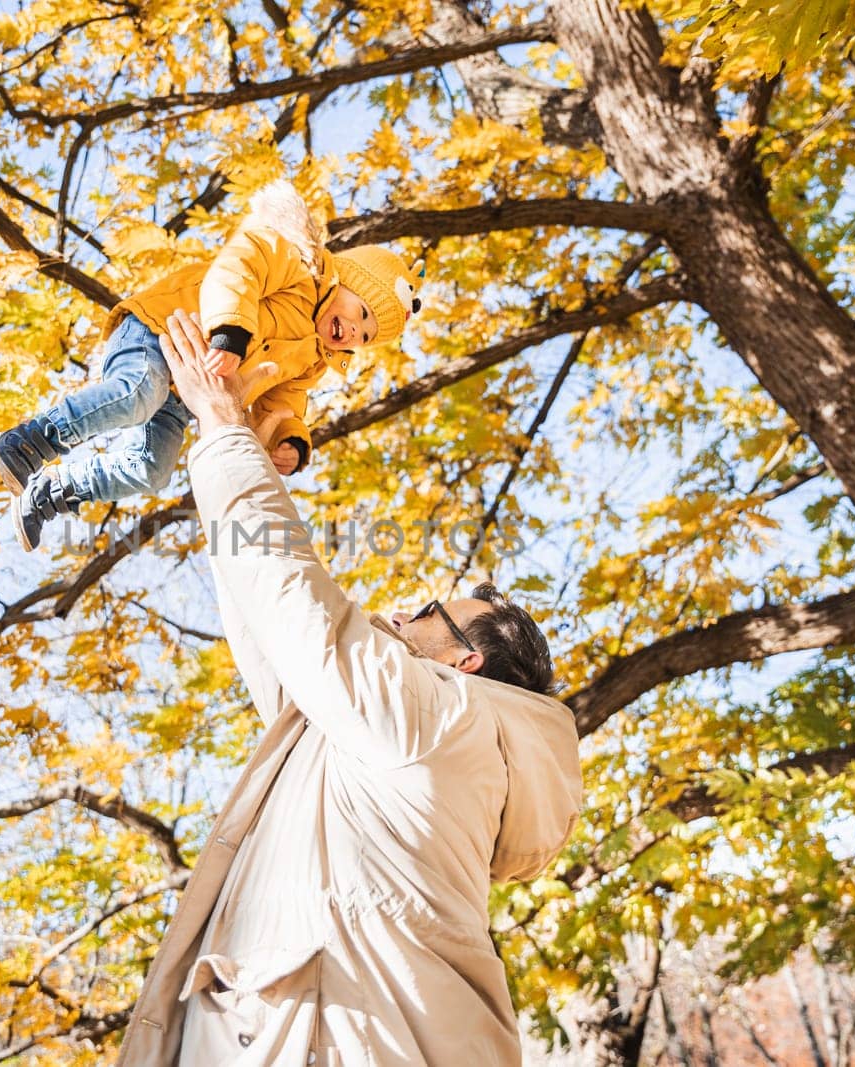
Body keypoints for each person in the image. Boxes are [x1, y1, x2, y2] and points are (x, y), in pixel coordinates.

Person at [115, 309, 585, 1066]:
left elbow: (301, 610)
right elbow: (274, 622)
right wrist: (238, 452)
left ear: (466, 664)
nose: (399, 610)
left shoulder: (448, 720)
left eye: (431, 613)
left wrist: (227, 430)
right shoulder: (375, 739)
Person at [0, 181, 424, 549]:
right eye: (362, 314)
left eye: (366, 337)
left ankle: (52, 493)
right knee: (138, 393)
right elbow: (238, 268)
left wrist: (290, 439)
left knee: (153, 470)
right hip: (163, 332)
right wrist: (229, 332)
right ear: (346, 280)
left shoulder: (314, 360)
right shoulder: (298, 265)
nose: (354, 334)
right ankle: (32, 441)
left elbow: (284, 399)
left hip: (184, 393)